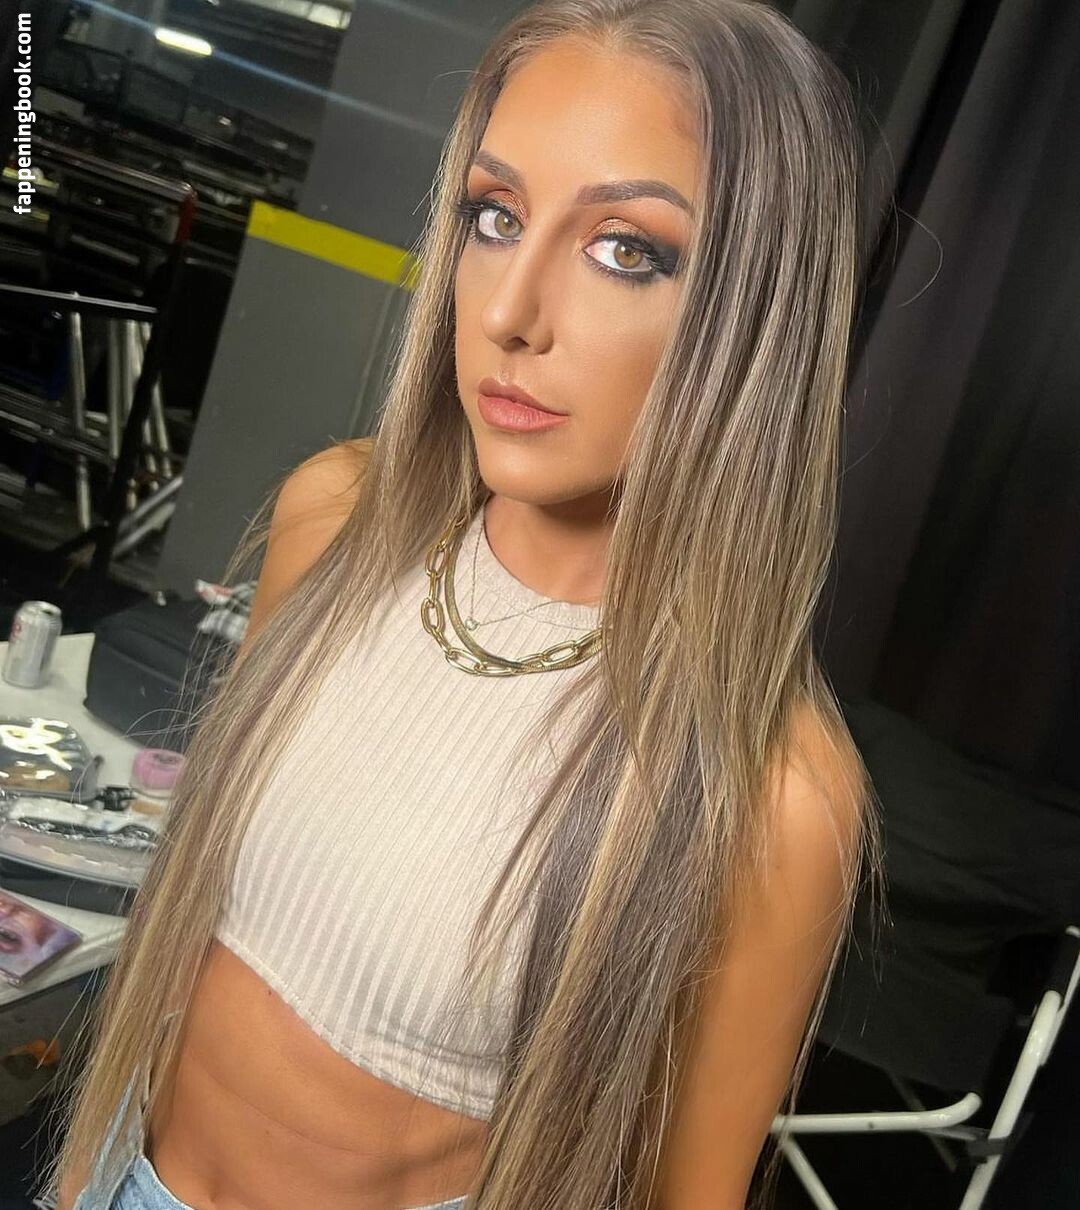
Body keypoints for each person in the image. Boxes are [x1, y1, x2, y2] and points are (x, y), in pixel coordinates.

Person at [46, 1, 884, 1207]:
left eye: (626, 249)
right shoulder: (334, 522)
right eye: (495, 217)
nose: (507, 313)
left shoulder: (772, 790)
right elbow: (182, 933)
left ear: (758, 319)